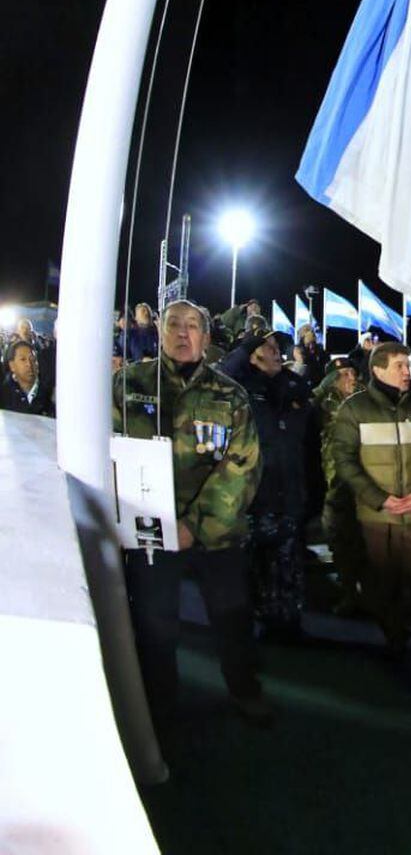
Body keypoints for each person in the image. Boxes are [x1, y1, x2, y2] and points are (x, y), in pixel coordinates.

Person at [113, 300, 270, 727]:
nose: (183, 334)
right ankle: (157, 707)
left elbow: (243, 467)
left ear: (206, 335)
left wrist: (192, 526)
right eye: (174, 325)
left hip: (216, 534)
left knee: (232, 619)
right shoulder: (128, 385)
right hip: (147, 532)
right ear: (160, 332)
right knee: (154, 625)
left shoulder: (230, 394)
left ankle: (245, 691)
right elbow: (106, 451)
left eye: (193, 326)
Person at [327, 342, 411, 656]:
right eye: (400, 366)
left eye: (409, 365)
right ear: (378, 370)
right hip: (377, 517)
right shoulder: (353, 409)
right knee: (384, 584)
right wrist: (380, 499)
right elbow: (344, 461)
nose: (408, 372)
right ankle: (394, 638)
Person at [220, 330, 315, 641]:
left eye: (277, 348)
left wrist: (313, 492)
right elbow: (223, 374)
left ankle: (287, 623)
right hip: (252, 494)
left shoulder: (294, 387)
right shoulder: (241, 386)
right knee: (250, 566)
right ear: (252, 355)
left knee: (287, 563)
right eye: (268, 347)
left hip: (289, 491)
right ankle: (246, 628)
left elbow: (310, 443)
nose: (276, 352)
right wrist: (247, 343)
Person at [313, 360, 366, 612]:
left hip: (365, 482)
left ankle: (369, 594)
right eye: (344, 374)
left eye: (353, 373)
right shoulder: (325, 402)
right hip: (336, 483)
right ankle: (349, 593)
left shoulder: (366, 399)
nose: (351, 378)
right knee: (341, 540)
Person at [2, 339, 55, 416]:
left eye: (33, 359)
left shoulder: (50, 393)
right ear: (12, 365)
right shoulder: (4, 393)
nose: (29, 364)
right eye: (23, 359)